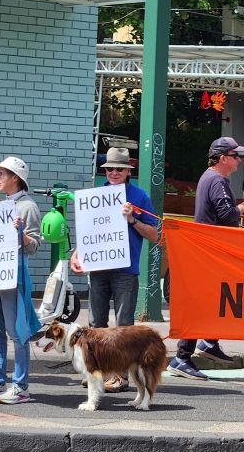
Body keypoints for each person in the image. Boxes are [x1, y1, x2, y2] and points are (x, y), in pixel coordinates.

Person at [168, 136, 244, 381]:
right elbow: (226, 216)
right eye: (235, 156)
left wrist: (240, 213)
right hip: (208, 252)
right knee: (202, 302)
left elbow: (220, 216)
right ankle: (182, 358)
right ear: (222, 158)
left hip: (207, 251)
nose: (239, 160)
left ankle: (208, 342)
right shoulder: (217, 180)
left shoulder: (211, 178)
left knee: (214, 299)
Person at [70, 147, 158, 391]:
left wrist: (132, 220)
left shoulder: (139, 197)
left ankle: (120, 376)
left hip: (125, 270)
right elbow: (90, 232)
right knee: (95, 323)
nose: (114, 172)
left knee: (123, 326)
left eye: (119, 169)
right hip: (99, 268)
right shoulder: (98, 195)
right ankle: (95, 372)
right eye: (109, 169)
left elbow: (154, 235)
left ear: (128, 172)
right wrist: (77, 254)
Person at [0, 156, 42, 405]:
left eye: (2, 173)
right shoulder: (4, 204)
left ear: (16, 178)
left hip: (12, 275)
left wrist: (22, 234)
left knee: (16, 331)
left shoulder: (28, 206)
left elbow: (34, 245)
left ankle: (21, 386)